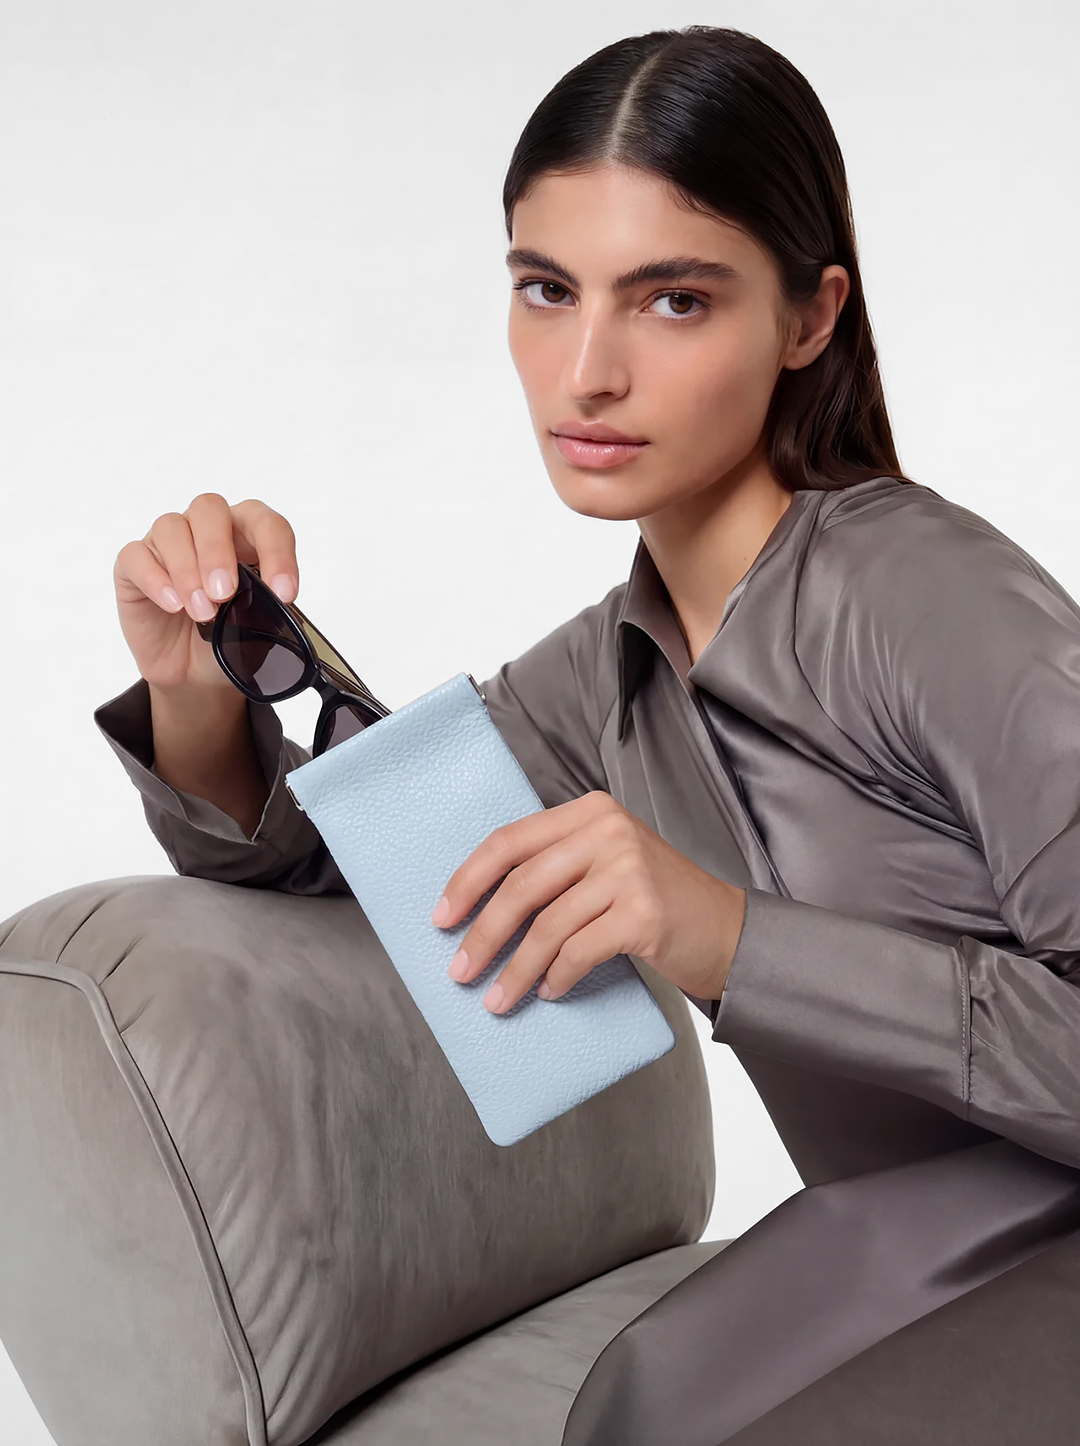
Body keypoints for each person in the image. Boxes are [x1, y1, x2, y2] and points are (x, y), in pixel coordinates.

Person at [95, 25, 1080, 1446]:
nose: (587, 372)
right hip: (908, 1243)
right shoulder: (604, 677)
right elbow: (330, 866)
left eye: (674, 300)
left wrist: (727, 937)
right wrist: (200, 683)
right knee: (634, 1407)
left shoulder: (929, 599)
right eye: (547, 291)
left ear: (809, 318)